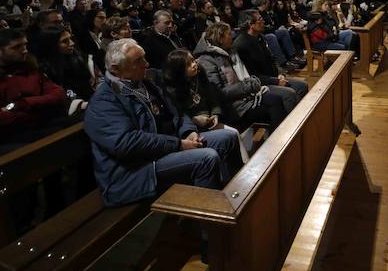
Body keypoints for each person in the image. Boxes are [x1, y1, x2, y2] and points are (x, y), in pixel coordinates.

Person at [83, 39, 240, 208]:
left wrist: (188, 132)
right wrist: (178, 144)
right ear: (116, 69)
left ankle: (235, 200)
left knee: (227, 137)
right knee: (206, 158)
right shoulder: (104, 102)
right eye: (138, 61)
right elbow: (126, 143)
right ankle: (210, 218)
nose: (146, 64)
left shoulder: (145, 83)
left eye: (144, 58)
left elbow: (177, 112)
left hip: (164, 150)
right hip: (133, 172)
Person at [193, 22, 289, 133]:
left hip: (245, 97)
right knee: (275, 103)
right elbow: (219, 93)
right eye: (229, 34)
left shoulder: (229, 52)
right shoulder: (206, 60)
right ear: (220, 38)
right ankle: (281, 139)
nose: (232, 37)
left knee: (276, 100)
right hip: (233, 107)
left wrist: (250, 85)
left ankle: (282, 136)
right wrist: (246, 86)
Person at [232, 10, 307, 112]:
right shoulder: (241, 45)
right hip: (259, 85)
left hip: (272, 78)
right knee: (289, 94)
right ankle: (289, 120)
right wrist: (275, 81)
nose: (264, 21)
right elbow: (251, 76)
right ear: (251, 24)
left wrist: (280, 74)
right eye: (260, 19)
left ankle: (300, 116)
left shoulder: (260, 37)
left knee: (302, 86)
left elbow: (272, 59)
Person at [35, 26, 94, 111]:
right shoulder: (44, 71)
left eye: (70, 39)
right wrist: (81, 104)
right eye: (65, 41)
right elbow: (63, 95)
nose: (72, 43)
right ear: (52, 45)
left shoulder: (77, 58)